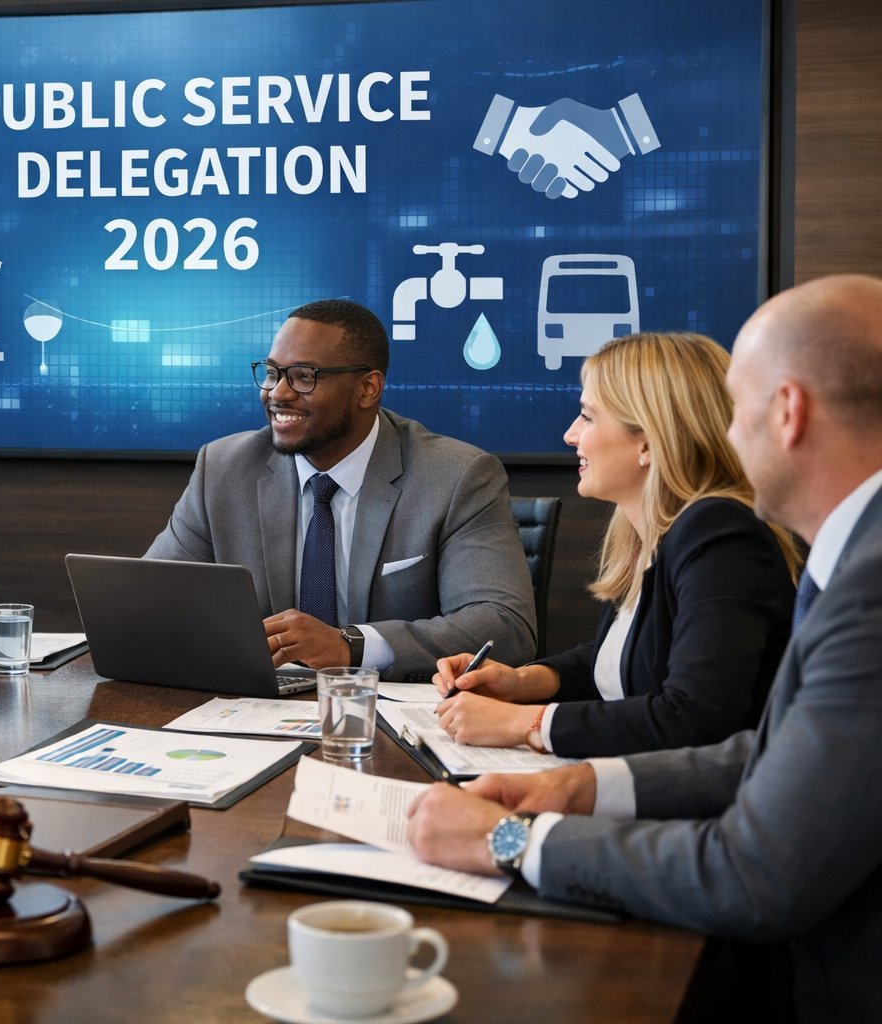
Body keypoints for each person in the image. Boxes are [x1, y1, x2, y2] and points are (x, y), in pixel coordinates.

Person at [406, 274, 882, 1021]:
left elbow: (756, 871)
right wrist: (573, 786)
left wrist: (513, 837)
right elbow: (764, 750)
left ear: (786, 413)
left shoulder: (857, 577)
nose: (726, 435)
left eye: (739, 410)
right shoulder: (853, 555)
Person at [432, 333, 799, 757]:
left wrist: (524, 723)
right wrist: (522, 682)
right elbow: (624, 662)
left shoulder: (721, 534)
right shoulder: (645, 533)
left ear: (647, 439)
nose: (571, 435)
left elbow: (695, 715)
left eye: (587, 417)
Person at [145, 298, 535, 681]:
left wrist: (352, 645)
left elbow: (504, 626)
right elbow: (150, 600)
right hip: (254, 710)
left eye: (303, 376)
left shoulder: (456, 476)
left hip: (391, 718)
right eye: (271, 372)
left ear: (368, 388)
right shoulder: (224, 468)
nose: (278, 393)